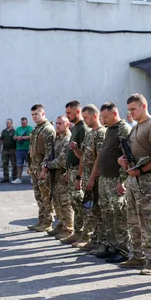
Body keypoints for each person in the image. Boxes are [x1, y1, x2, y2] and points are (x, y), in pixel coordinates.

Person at [118, 94, 151, 275]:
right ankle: (137, 255)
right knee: (133, 218)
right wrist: (123, 160)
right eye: (128, 109)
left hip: (146, 178)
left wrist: (141, 170)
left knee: (148, 219)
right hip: (133, 178)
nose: (130, 112)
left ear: (143, 106)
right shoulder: (136, 126)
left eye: (133, 109)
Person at [89, 102, 131, 263]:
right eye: (102, 117)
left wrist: (122, 180)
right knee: (107, 214)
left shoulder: (123, 130)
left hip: (115, 180)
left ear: (114, 114)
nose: (103, 120)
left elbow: (127, 156)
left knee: (119, 215)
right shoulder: (109, 130)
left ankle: (123, 249)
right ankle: (111, 246)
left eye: (105, 117)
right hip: (105, 179)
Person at [73, 104, 106, 250]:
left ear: (94, 116)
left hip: (96, 178)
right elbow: (83, 158)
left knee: (97, 211)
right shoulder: (90, 134)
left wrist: (92, 179)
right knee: (90, 210)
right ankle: (93, 239)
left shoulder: (100, 133)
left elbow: (99, 159)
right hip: (87, 176)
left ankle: (99, 241)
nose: (84, 120)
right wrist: (75, 150)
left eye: (86, 117)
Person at [60, 101, 90, 244]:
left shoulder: (82, 128)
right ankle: (77, 232)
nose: (67, 116)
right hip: (71, 170)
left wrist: (79, 176)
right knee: (75, 203)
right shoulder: (76, 127)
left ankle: (85, 235)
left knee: (80, 204)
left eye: (69, 113)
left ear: (77, 112)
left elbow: (84, 156)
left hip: (78, 171)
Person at [43, 115, 74, 240]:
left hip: (63, 175)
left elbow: (62, 161)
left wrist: (48, 165)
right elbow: (50, 154)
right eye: (56, 123)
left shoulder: (68, 139)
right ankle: (61, 224)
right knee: (56, 201)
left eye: (60, 123)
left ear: (67, 124)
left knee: (65, 203)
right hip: (55, 176)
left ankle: (69, 228)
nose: (57, 125)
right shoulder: (57, 139)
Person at [27, 105, 56, 232]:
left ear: (43, 113)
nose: (34, 116)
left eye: (36, 114)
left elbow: (50, 152)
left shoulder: (48, 129)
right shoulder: (36, 129)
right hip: (35, 167)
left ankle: (48, 222)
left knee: (46, 195)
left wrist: (44, 169)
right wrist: (30, 165)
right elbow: (31, 149)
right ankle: (41, 220)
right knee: (38, 195)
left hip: (43, 168)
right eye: (32, 114)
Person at [12, 117, 33, 184]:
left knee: (29, 164)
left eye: (24, 122)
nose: (23, 124)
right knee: (19, 164)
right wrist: (16, 137)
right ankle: (18, 178)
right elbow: (14, 136)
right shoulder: (18, 128)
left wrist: (21, 137)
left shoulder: (30, 128)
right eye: (22, 123)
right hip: (19, 149)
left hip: (27, 149)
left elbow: (30, 136)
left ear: (27, 122)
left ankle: (32, 178)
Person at [0, 118, 17, 183]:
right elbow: (1, 140)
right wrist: (0, 148)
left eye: (8, 123)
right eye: (6, 123)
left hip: (12, 150)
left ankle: (14, 177)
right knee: (4, 164)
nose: (7, 124)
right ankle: (6, 177)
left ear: (11, 123)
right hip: (5, 150)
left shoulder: (14, 131)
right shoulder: (4, 131)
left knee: (14, 164)